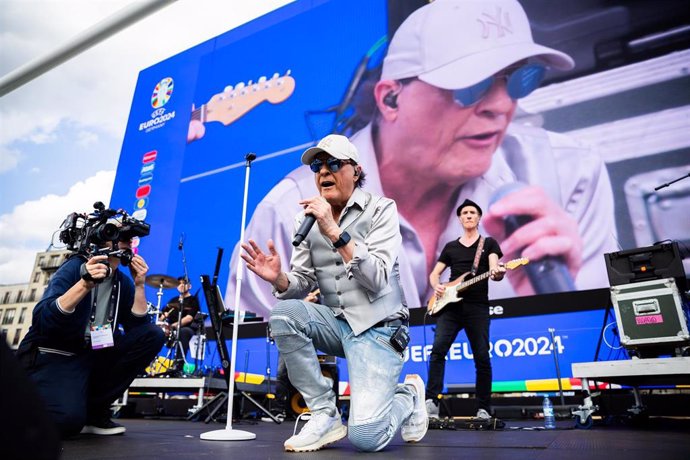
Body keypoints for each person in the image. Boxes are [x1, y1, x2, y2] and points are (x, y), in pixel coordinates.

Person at [226, 0, 618, 318]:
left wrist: (558, 296)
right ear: (391, 98)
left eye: (520, 80)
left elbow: (598, 334)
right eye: (472, 86)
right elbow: (255, 347)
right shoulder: (291, 210)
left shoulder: (569, 173)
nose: (502, 106)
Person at [241, 134, 428, 452]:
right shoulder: (305, 219)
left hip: (380, 329)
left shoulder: (381, 209)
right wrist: (280, 280)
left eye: (333, 163)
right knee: (285, 313)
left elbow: (378, 279)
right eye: (317, 165)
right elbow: (303, 281)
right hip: (337, 323)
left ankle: (408, 396)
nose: (323, 171)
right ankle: (324, 414)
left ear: (355, 171)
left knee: (367, 437)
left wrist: (335, 232)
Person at [16, 237, 165, 438]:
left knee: (153, 335)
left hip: (94, 352)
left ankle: (94, 412)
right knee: (64, 422)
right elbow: (43, 319)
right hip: (59, 354)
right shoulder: (75, 266)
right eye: (121, 237)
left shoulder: (121, 281)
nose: (128, 242)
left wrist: (139, 285)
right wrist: (85, 283)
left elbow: (139, 327)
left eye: (130, 239)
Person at [425, 199, 506, 420]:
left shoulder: (489, 244)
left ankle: (483, 408)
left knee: (481, 356)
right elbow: (434, 274)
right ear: (460, 219)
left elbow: (493, 269)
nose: (469, 215)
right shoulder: (451, 247)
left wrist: (498, 272)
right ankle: (431, 402)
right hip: (450, 307)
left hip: (477, 307)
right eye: (465, 213)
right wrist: (437, 286)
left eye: (473, 212)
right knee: (438, 351)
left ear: (479, 218)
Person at [160, 276, 201, 361]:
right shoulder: (173, 300)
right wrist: (162, 321)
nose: (181, 285)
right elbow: (162, 317)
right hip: (170, 328)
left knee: (183, 332)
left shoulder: (193, 300)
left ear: (190, 286)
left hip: (187, 328)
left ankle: (178, 364)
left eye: (184, 283)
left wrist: (172, 326)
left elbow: (189, 318)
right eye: (179, 283)